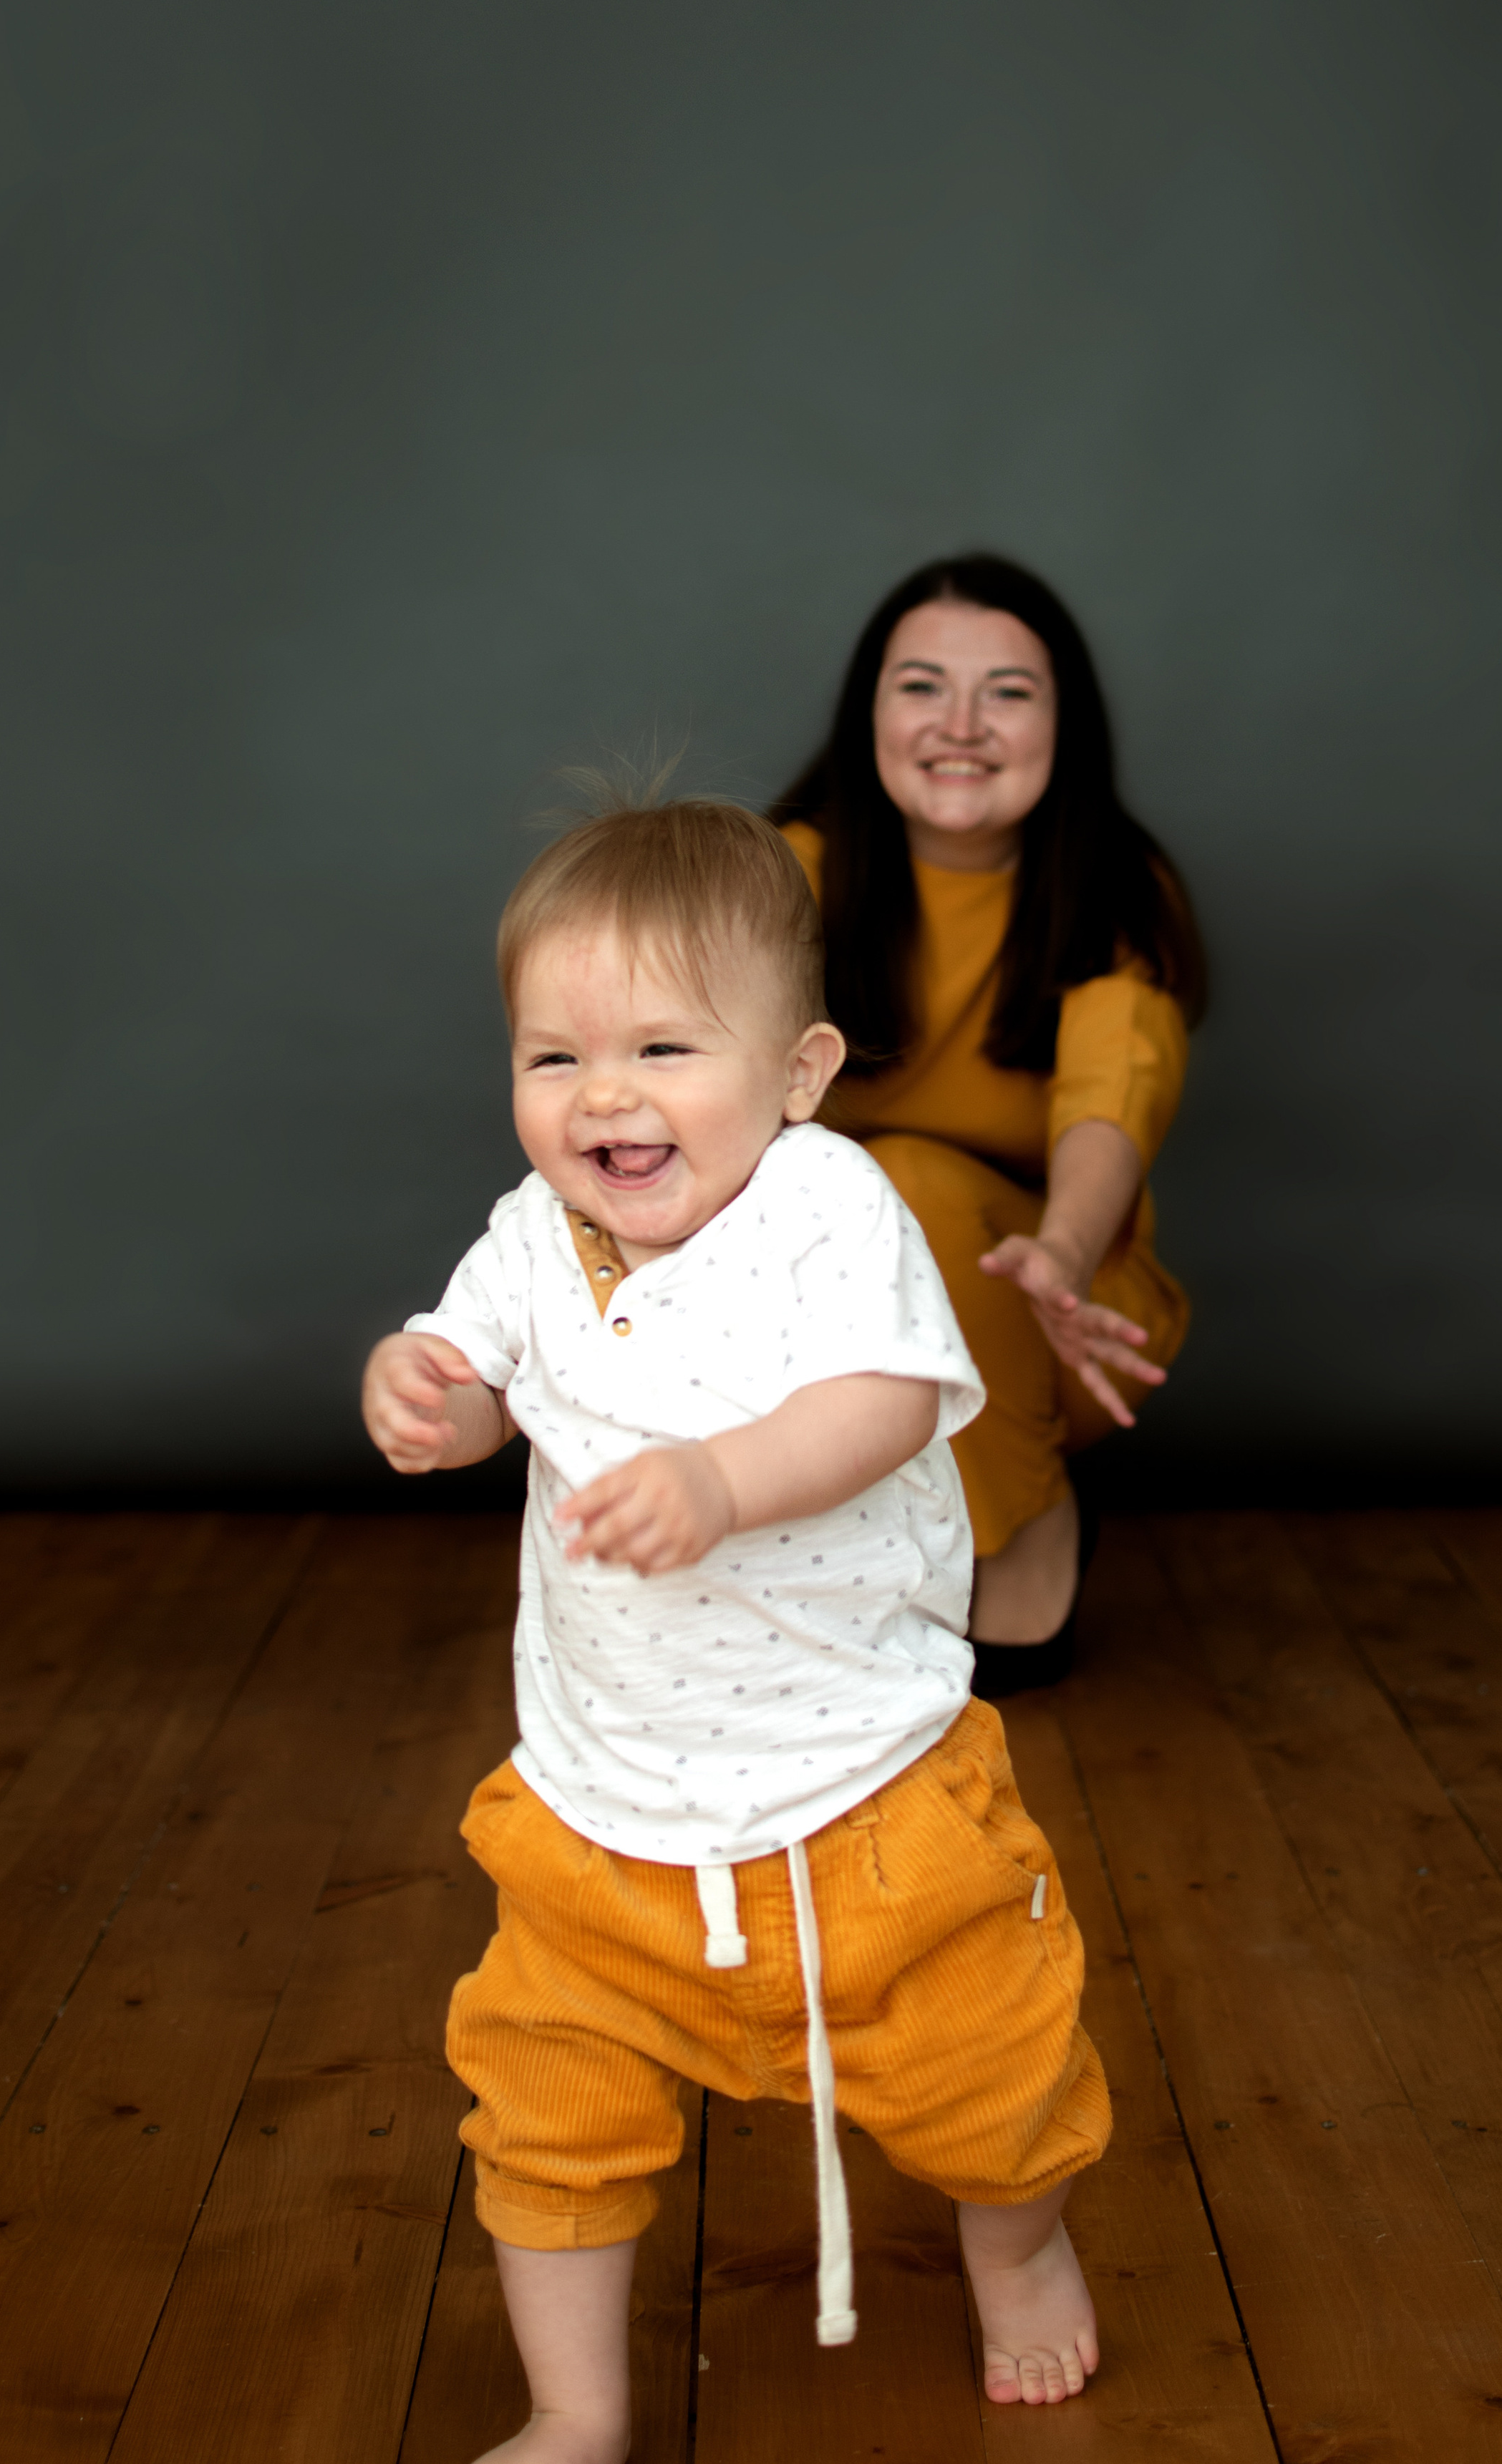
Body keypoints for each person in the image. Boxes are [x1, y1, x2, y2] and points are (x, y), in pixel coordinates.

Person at [362, 798, 1110, 2459]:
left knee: (996, 2073)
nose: (601, 1095)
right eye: (552, 1058)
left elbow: (882, 1403)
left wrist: (718, 1480)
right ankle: (574, 2407)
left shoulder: (825, 1212)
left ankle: (1021, 2240)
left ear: (796, 1071)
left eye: (658, 1047)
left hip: (864, 1797)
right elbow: (478, 1373)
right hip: (601, 1812)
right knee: (541, 2103)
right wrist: (424, 1398)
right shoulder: (529, 1237)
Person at [775, 553, 1206, 1694]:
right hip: (818, 1323)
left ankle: (1024, 1529)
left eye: (1008, 692)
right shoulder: (786, 879)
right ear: (869, 708)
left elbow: (1112, 1096)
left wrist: (1061, 1255)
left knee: (908, 1179)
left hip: (1063, 1314)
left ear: (1066, 721)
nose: (961, 724)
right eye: (922, 685)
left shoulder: (1115, 888)